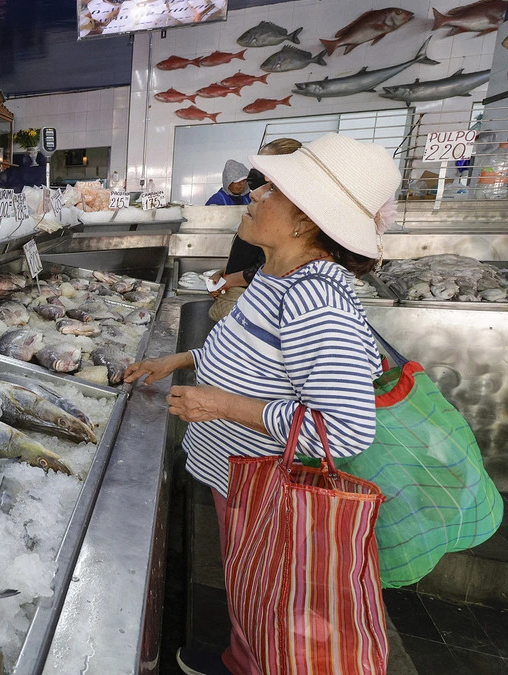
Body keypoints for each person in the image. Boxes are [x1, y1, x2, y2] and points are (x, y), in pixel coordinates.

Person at [125, 132, 393, 675]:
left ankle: (252, 664)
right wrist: (177, 362)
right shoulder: (276, 274)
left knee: (273, 593)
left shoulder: (316, 300)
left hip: (269, 485)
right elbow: (251, 356)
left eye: (270, 189)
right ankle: (240, 657)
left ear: (304, 220)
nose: (253, 194)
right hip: (241, 478)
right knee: (249, 581)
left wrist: (224, 406)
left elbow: (346, 429)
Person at [207, 138, 303, 321]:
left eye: (272, 186)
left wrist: (231, 279)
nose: (253, 193)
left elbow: (275, 267)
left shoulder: (291, 233)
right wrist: (224, 272)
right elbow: (255, 257)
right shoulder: (261, 220)